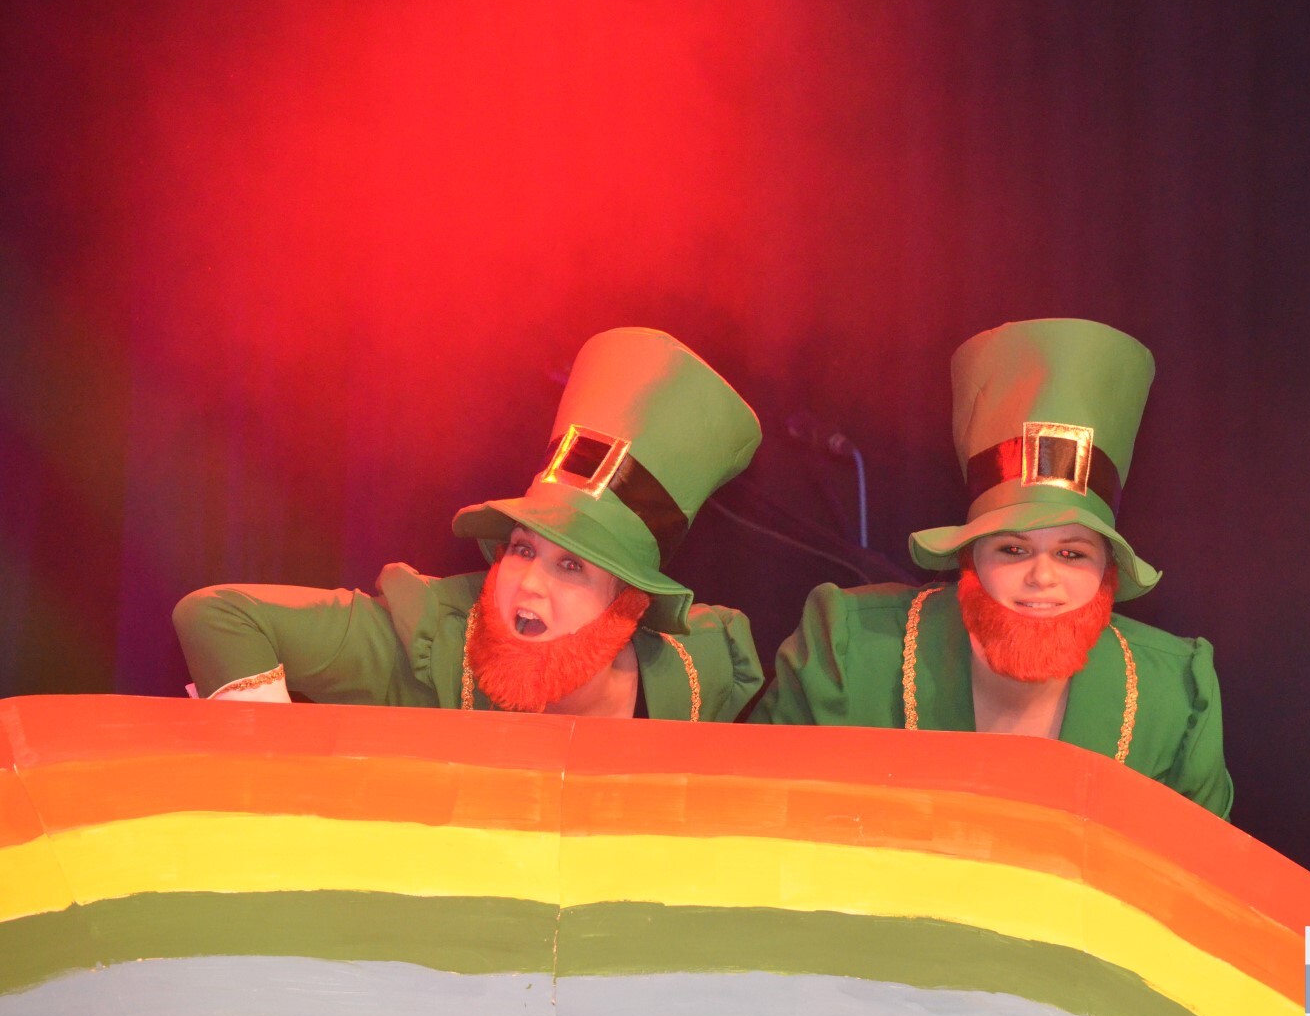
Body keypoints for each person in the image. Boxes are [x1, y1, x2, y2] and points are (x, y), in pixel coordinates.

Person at [754, 319, 1233, 817]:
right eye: (1013, 550)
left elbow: (1202, 860)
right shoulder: (848, 649)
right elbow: (759, 816)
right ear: (970, 557)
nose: (1042, 577)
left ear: (1107, 569)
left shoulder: (1176, 693)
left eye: (1071, 553)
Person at [174, 327, 765, 722]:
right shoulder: (429, 645)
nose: (528, 584)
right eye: (522, 550)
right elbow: (220, 615)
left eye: (570, 565)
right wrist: (272, 771)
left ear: (626, 605)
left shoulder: (700, 674)